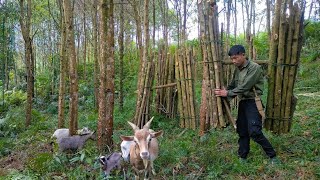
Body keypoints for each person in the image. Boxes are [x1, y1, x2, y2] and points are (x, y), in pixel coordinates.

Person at [214, 45, 279, 164]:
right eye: (232, 59)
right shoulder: (238, 69)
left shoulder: (254, 67)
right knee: (242, 130)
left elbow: (245, 87)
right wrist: (225, 91)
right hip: (243, 102)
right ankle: (242, 156)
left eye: (236, 58)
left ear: (243, 55)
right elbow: (234, 85)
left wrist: (227, 93)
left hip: (253, 102)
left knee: (254, 131)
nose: (233, 61)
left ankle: (273, 156)